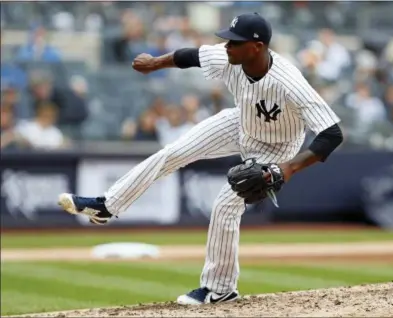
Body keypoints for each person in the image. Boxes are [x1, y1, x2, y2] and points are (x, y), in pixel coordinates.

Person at [58, 13, 343, 305]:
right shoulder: (229, 57)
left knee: (224, 205)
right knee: (173, 152)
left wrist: (288, 168)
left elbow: (332, 133)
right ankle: (107, 205)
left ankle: (220, 289)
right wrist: (155, 63)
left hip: (277, 147)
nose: (227, 46)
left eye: (234, 42)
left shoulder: (288, 82)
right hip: (240, 122)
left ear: (256, 47)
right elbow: (189, 56)